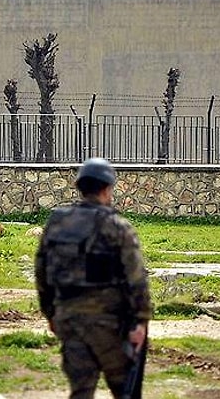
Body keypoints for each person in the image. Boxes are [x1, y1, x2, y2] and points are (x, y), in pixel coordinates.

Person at [35, 157, 152, 399]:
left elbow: (42, 272)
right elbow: (136, 279)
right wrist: (140, 322)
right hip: (109, 324)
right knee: (125, 390)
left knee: (81, 391)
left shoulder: (57, 223)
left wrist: (50, 313)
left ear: (80, 187)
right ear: (107, 189)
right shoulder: (117, 227)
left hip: (69, 318)